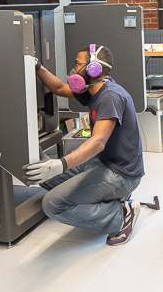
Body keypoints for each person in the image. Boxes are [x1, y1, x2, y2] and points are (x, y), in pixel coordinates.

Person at [24, 44, 144, 246]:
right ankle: (107, 199)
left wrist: (60, 164)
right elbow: (60, 88)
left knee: (53, 205)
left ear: (93, 69)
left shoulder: (110, 96)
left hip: (121, 174)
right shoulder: (93, 89)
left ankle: (120, 215)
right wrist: (37, 66)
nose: (73, 68)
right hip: (103, 163)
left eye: (77, 64)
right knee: (42, 175)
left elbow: (98, 142)